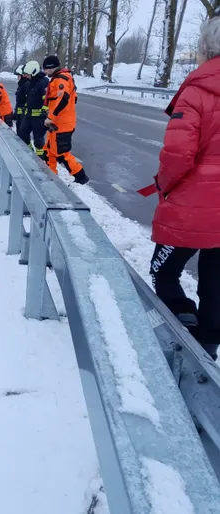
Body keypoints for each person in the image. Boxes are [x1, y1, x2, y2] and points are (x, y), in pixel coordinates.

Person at [146, 17, 220, 360]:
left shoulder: (199, 89)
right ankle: (208, 356)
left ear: (207, 47)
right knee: (216, 285)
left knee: (165, 272)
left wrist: (163, 185)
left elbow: (178, 156)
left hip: (193, 210)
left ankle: (186, 344)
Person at [40, 56, 89, 184]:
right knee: (48, 151)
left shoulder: (61, 79)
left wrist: (51, 116)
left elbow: (64, 98)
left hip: (61, 124)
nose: (44, 72)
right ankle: (51, 176)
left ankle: (80, 177)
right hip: (57, 123)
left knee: (61, 153)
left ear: (51, 67)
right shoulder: (60, 78)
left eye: (45, 69)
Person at [18, 60, 49, 158]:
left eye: (28, 74)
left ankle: (41, 160)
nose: (26, 76)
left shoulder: (43, 83)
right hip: (28, 115)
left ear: (34, 72)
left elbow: (47, 100)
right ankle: (30, 153)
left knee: (38, 140)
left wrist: (46, 114)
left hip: (39, 117)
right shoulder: (30, 83)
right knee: (22, 134)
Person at [14, 65, 30, 136]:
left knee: (22, 134)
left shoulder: (26, 85)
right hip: (20, 113)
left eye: (18, 76)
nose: (17, 78)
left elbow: (26, 100)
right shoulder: (21, 85)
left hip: (23, 114)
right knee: (20, 133)